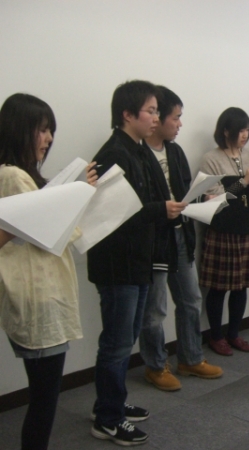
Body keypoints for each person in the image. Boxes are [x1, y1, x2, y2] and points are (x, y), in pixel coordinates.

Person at [87, 80, 187, 446]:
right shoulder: (115, 153)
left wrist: (169, 206)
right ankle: (108, 419)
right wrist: (161, 210)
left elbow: (145, 202)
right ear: (127, 114)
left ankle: (110, 403)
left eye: (158, 111)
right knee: (116, 343)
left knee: (125, 337)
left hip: (139, 260)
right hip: (118, 264)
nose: (156, 118)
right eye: (151, 111)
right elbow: (115, 214)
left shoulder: (139, 150)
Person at [0, 93, 96, 450]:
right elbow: (51, 232)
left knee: (44, 395)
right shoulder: (13, 175)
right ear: (18, 129)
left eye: (50, 130)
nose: (49, 138)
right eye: (41, 130)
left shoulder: (22, 175)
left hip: (40, 293)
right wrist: (76, 194)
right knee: (44, 398)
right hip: (38, 296)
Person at [138, 86, 222, 391]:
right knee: (155, 310)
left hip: (180, 236)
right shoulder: (137, 153)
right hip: (155, 242)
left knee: (190, 299)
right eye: (175, 117)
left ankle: (190, 358)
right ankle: (156, 365)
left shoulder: (174, 151)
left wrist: (202, 198)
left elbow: (185, 190)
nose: (179, 123)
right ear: (157, 118)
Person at [199, 107, 249, 355]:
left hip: (247, 229)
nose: (245, 135)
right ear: (226, 131)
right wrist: (243, 181)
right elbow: (213, 199)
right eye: (240, 130)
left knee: (241, 286)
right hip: (222, 230)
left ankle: (234, 334)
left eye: (247, 130)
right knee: (218, 287)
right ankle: (216, 336)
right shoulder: (211, 159)